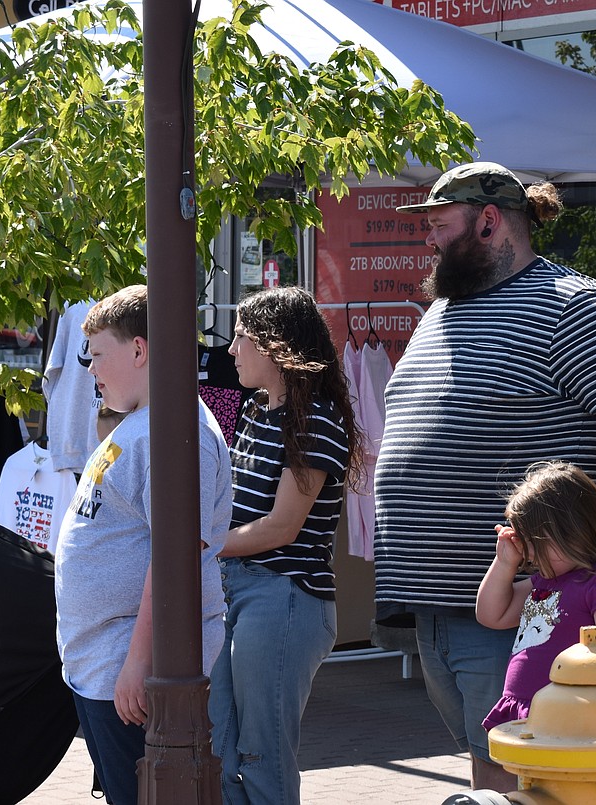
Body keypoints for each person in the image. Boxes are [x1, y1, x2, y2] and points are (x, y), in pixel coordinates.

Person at [375, 161, 596, 791]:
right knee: (494, 761)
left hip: (526, 603)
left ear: (489, 222)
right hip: (446, 598)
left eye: (439, 224)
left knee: (521, 768)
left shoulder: (573, 304)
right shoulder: (441, 312)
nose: (428, 238)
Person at [53, 284, 233, 805]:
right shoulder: (144, 423)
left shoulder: (181, 433)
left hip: (131, 668)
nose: (90, 369)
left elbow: (175, 559)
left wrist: (138, 665)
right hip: (104, 662)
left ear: (139, 349)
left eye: (98, 354)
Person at [210, 286, 362, 804]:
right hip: (238, 590)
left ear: (276, 347)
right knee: (219, 745)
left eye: (241, 338)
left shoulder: (316, 419)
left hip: (285, 596)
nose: (230, 351)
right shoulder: (252, 411)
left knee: (261, 753)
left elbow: (281, 529)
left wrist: (201, 547)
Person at [476, 461, 596, 737]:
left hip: (574, 720)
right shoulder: (546, 580)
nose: (527, 552)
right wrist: (504, 563)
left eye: (532, 540)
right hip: (533, 717)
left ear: (568, 532)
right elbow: (491, 614)